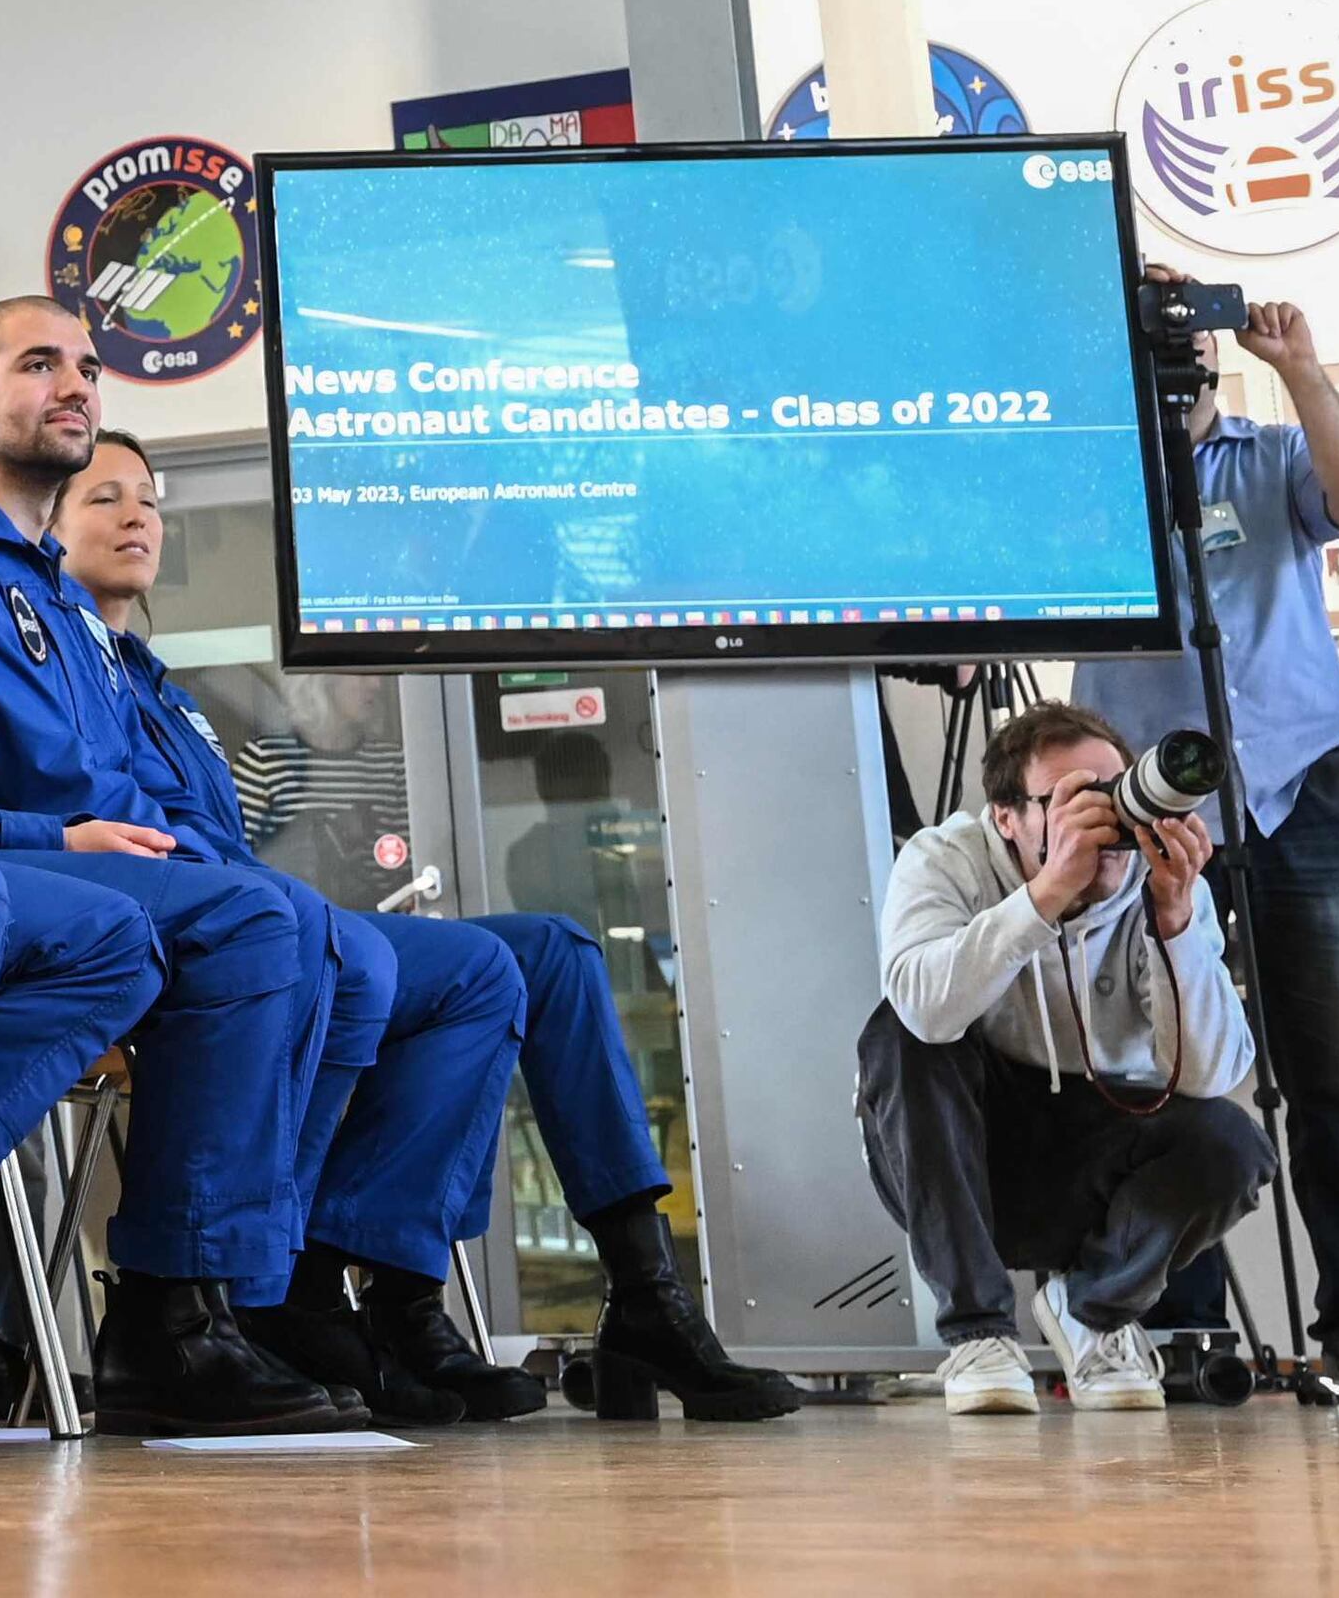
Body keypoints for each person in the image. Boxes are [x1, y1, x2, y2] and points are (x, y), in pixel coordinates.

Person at [0, 299, 534, 1429]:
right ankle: (178, 1310)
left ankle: (261, 1288)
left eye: (86, 365)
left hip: (105, 866)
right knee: (259, 922)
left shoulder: (44, 582)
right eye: (39, 364)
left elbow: (111, 769)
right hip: (8, 868)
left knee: (419, 955)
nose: (75, 383)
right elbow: (48, 780)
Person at [54, 433, 796, 1421]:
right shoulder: (58, 664)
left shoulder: (160, 688)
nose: (136, 513)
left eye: (146, 497)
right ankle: (368, 1296)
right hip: (205, 938)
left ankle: (640, 1292)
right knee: (478, 969)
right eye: (102, 497)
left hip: (265, 917)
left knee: (555, 951)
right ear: (44, 533)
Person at [1069, 288, 1339, 1402]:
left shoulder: (1270, 450)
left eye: (1178, 336)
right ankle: (1182, 1332)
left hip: (1296, 786)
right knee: (1155, 1074)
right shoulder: (1088, 476)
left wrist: (1298, 366)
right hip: (1143, 801)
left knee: (1335, 1077)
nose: (1167, 355)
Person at [865, 702, 1270, 1414]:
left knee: (1234, 1142)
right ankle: (979, 1332)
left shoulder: (1169, 884)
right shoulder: (944, 858)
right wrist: (1046, 892)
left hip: (1098, 1148)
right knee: (901, 1035)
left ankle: (1092, 1312)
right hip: (964, 1154)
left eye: (1114, 794)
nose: (1105, 822)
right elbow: (923, 1007)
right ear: (1006, 816)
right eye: (1070, 800)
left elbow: (1210, 1076)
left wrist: (1173, 923)